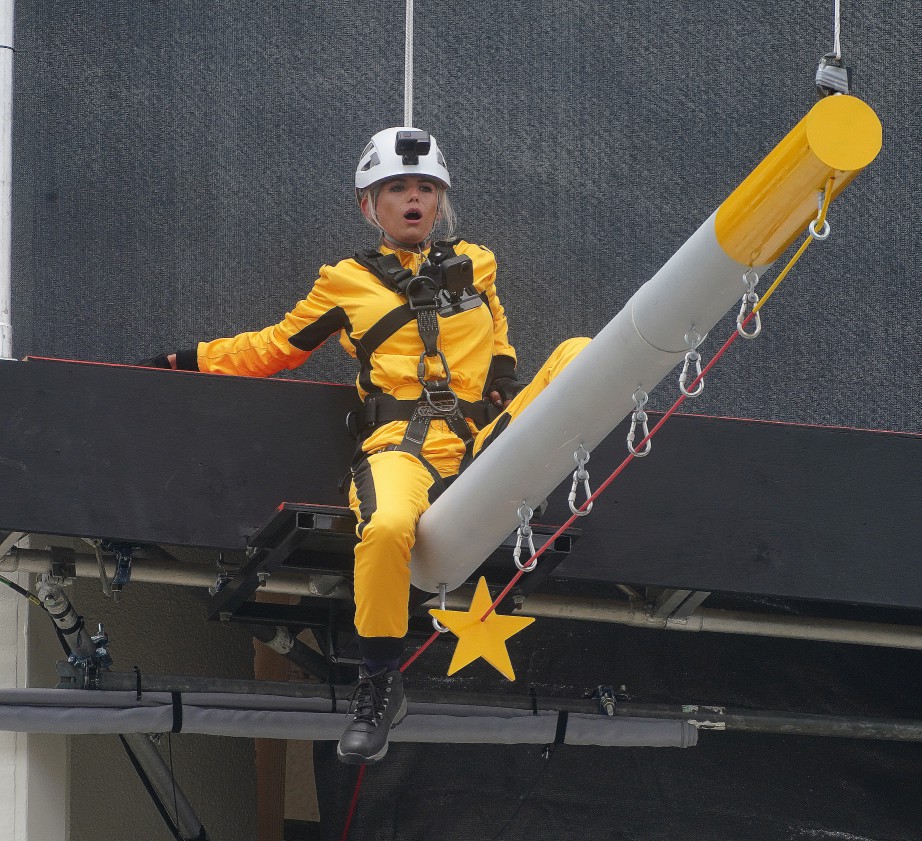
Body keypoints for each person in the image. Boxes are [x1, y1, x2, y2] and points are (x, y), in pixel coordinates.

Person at [144, 127, 588, 765]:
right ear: (369, 206)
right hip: (400, 447)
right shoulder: (345, 281)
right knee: (383, 529)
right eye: (397, 189)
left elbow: (501, 336)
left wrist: (505, 374)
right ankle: (379, 682)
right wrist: (181, 360)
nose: (414, 199)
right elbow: (273, 347)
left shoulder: (480, 264)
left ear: (441, 202)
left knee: (581, 354)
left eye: (426, 189)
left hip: (482, 442)